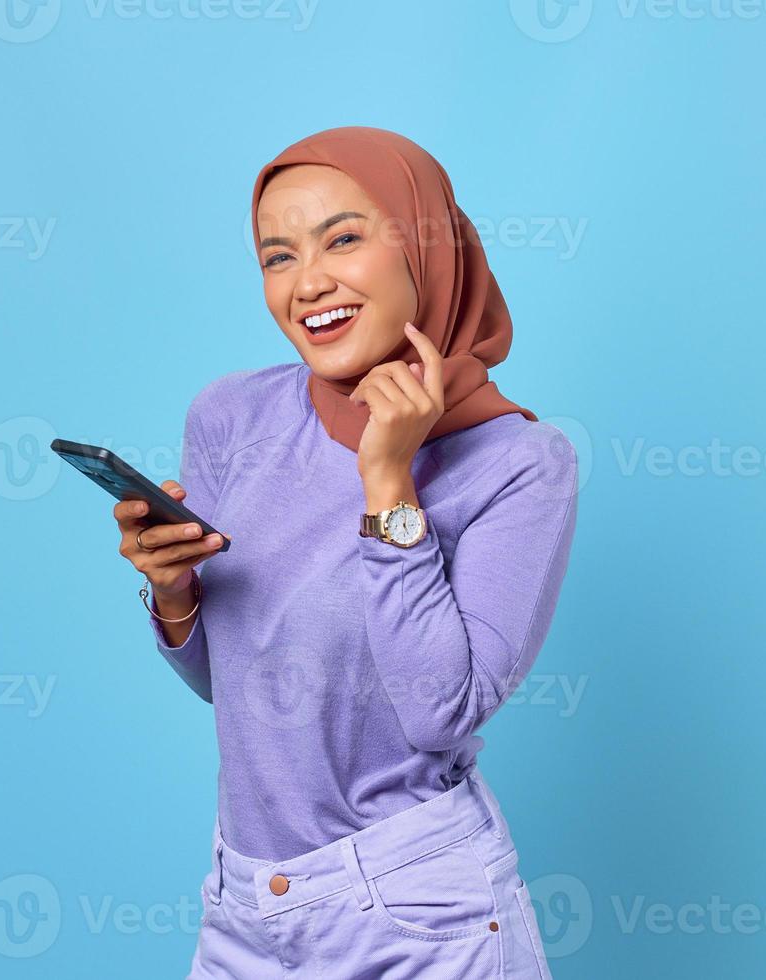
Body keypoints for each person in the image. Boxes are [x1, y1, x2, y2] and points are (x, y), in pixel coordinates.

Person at [113, 125, 577, 978]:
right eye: (276, 257)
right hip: (245, 902)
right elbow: (239, 685)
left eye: (345, 239)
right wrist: (175, 594)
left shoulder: (518, 464)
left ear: (424, 249)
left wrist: (389, 483)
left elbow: (438, 711)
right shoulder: (230, 417)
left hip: (417, 911)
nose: (309, 283)